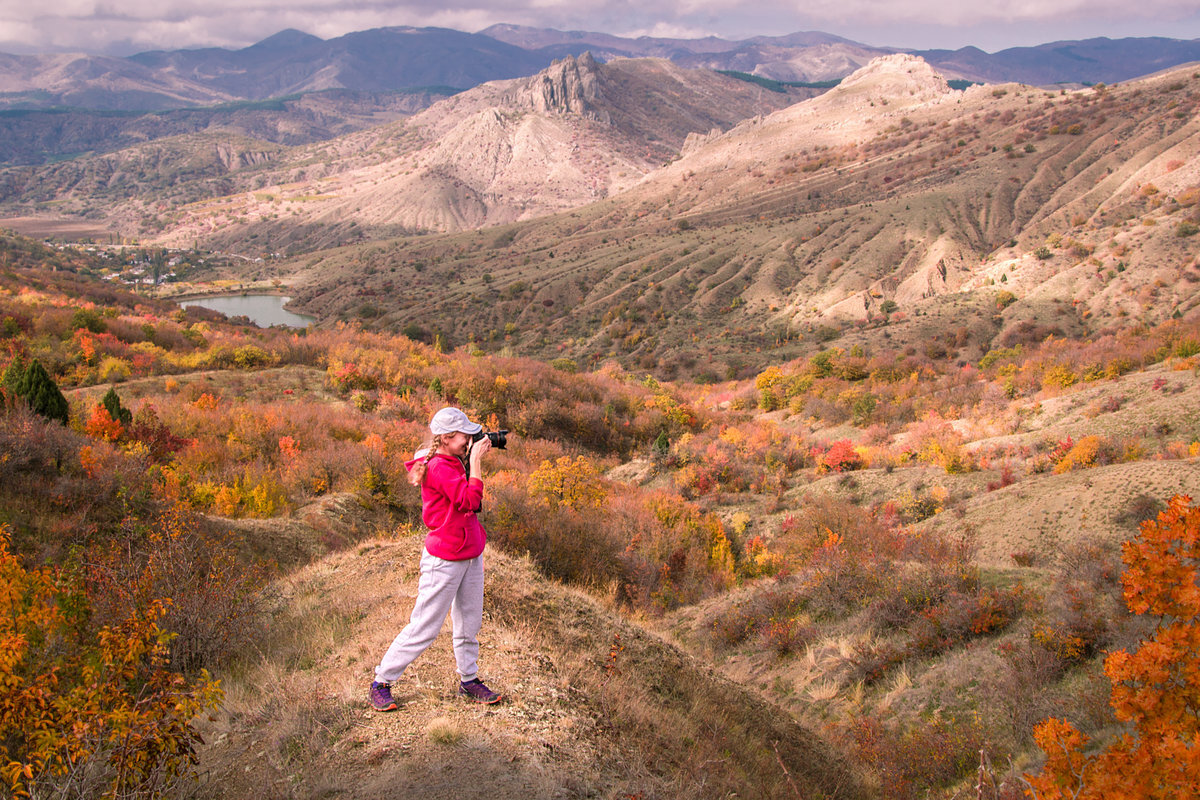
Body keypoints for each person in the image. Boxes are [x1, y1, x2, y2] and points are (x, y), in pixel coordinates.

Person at [369, 407, 502, 711]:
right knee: (425, 627)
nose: (469, 439)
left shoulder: (452, 460)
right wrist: (477, 462)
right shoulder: (440, 467)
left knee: (469, 624)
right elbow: (471, 500)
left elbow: (465, 501)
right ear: (444, 438)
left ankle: (469, 681)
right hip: (444, 558)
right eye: (464, 435)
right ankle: (381, 681)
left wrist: (470, 459)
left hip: (469, 554)